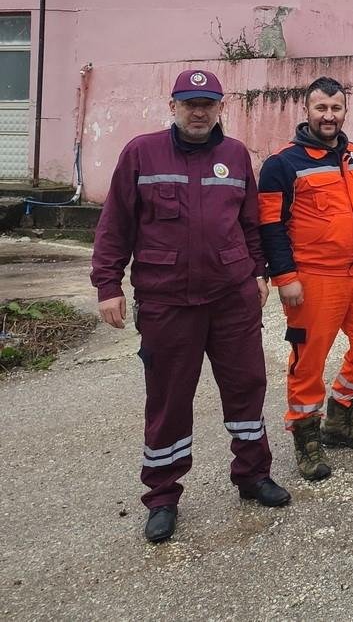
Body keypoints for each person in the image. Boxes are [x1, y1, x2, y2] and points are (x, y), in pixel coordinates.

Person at [91, 69, 289, 544]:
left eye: (207, 103)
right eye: (189, 103)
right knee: (168, 399)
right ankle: (162, 496)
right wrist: (107, 284)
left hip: (231, 297)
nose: (198, 111)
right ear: (173, 105)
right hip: (166, 300)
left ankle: (252, 474)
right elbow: (115, 222)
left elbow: (250, 222)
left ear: (221, 106)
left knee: (247, 387)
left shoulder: (235, 154)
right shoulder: (142, 152)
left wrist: (258, 272)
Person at [258, 77, 353, 481]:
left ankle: (340, 418)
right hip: (314, 279)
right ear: (306, 110)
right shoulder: (282, 164)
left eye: (336, 108)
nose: (329, 116)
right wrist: (284, 276)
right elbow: (269, 226)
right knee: (309, 362)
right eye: (321, 108)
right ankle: (306, 439)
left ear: (344, 111)